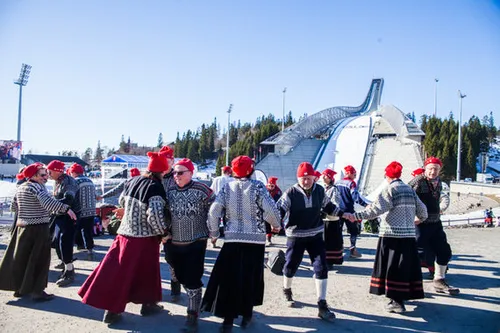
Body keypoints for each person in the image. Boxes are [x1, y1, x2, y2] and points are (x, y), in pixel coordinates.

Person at [78, 152, 169, 325]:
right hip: (144, 238)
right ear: (162, 171)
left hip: (124, 234)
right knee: (146, 273)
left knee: (118, 273)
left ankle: (117, 308)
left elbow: (121, 201)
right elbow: (154, 215)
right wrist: (163, 233)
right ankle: (135, 306)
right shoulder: (155, 186)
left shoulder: (132, 181)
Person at [202, 156, 282, 332]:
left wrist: (214, 233)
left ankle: (228, 320)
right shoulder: (258, 187)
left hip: (232, 239)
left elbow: (214, 211)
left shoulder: (226, 187)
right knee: (249, 278)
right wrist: (276, 225)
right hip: (254, 240)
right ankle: (247, 314)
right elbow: (270, 209)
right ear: (251, 169)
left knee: (230, 278)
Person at [346, 161, 428, 313]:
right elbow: (423, 212)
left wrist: (356, 216)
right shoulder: (409, 190)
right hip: (409, 236)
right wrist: (415, 221)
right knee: (404, 267)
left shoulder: (389, 190)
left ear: (387, 176)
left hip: (391, 236)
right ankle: (404, 296)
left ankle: (396, 301)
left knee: (392, 268)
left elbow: (375, 210)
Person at [278, 162, 345, 322]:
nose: (306, 181)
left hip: (315, 234)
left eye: (308, 178)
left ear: (314, 178)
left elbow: (329, 207)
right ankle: (287, 289)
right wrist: (274, 223)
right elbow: (279, 209)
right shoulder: (290, 193)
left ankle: (322, 305)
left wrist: (345, 215)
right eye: (303, 178)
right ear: (298, 178)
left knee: (321, 267)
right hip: (296, 235)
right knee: (290, 265)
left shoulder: (320, 190)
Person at [0, 164, 77, 301]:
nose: (46, 177)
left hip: (22, 228)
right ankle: (37, 291)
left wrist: (27, 211)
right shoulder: (36, 187)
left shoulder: (21, 187)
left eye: (46, 174)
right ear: (33, 176)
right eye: (42, 175)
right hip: (38, 228)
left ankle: (20, 289)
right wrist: (66, 209)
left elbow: (13, 207)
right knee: (39, 260)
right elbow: (48, 203)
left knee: (22, 259)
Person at [165, 158, 215, 332]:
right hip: (173, 242)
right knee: (178, 276)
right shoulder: (169, 189)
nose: (176, 176)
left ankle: (192, 314)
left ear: (191, 173)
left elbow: (215, 208)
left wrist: (213, 228)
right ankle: (190, 298)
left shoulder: (202, 189)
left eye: (180, 172)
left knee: (193, 279)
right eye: (174, 173)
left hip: (196, 241)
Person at [408, 157, 458, 295]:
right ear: (425, 168)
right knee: (415, 252)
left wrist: (440, 209)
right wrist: (414, 216)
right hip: (421, 223)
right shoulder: (417, 181)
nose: (433, 171)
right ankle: (405, 281)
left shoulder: (439, 182)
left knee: (444, 251)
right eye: (430, 168)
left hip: (435, 223)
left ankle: (439, 280)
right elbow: (406, 196)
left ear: (439, 170)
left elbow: (443, 199)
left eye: (436, 169)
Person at [47, 160, 79, 287]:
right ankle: (65, 262)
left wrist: (51, 204)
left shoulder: (69, 181)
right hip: (60, 215)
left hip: (70, 216)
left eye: (49, 171)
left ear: (57, 171)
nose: (47, 174)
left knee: (64, 242)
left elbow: (69, 199)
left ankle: (69, 270)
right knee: (57, 242)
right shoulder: (58, 181)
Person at [157, 145, 182, 302]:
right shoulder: (154, 177)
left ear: (172, 161)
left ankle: (175, 287)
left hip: (173, 224)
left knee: (172, 258)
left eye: (166, 160)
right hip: (154, 223)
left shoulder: (177, 177)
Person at [336, 165, 369, 258]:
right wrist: (365, 205)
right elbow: (355, 196)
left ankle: (339, 249)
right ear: (349, 173)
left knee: (338, 231)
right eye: (354, 173)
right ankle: (353, 250)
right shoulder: (351, 183)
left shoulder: (337, 183)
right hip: (349, 211)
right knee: (354, 231)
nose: (355, 175)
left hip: (338, 211)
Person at [69, 163, 97, 260]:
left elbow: (72, 196)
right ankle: (89, 249)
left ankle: (71, 251)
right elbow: (95, 195)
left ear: (73, 172)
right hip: (92, 210)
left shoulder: (74, 181)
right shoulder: (90, 181)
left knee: (73, 231)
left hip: (80, 210)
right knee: (88, 231)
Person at [320, 168, 343, 269]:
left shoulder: (334, 189)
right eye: (323, 175)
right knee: (323, 240)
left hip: (331, 219)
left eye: (325, 176)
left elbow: (336, 203)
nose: (323, 177)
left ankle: (330, 261)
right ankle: (322, 259)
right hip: (323, 219)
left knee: (331, 242)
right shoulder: (322, 188)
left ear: (330, 178)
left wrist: (327, 208)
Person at [264, 176, 282, 245]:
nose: (271, 187)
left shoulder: (278, 192)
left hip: (274, 209)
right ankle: (266, 238)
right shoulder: (264, 189)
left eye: (272, 186)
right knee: (266, 224)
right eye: (269, 186)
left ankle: (269, 238)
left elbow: (278, 202)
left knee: (272, 223)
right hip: (265, 209)